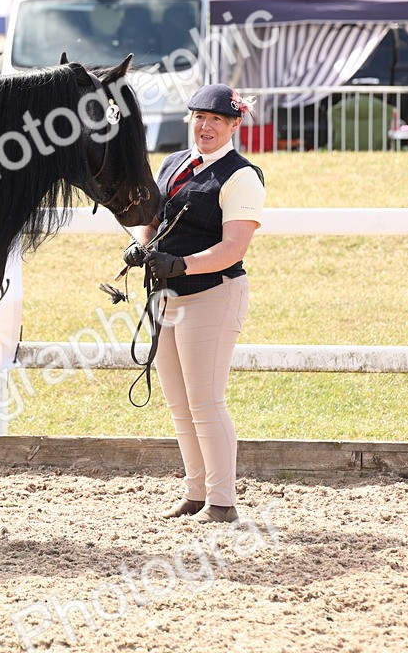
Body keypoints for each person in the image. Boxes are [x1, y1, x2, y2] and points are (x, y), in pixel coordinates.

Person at [123, 83, 266, 524]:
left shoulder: (242, 175)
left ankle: (222, 501)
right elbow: (150, 218)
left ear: (234, 125)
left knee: (206, 401)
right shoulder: (172, 164)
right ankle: (195, 491)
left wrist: (180, 264)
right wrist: (139, 245)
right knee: (179, 402)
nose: (205, 126)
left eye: (217, 120)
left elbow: (234, 247)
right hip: (166, 296)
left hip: (213, 294)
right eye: (200, 117)